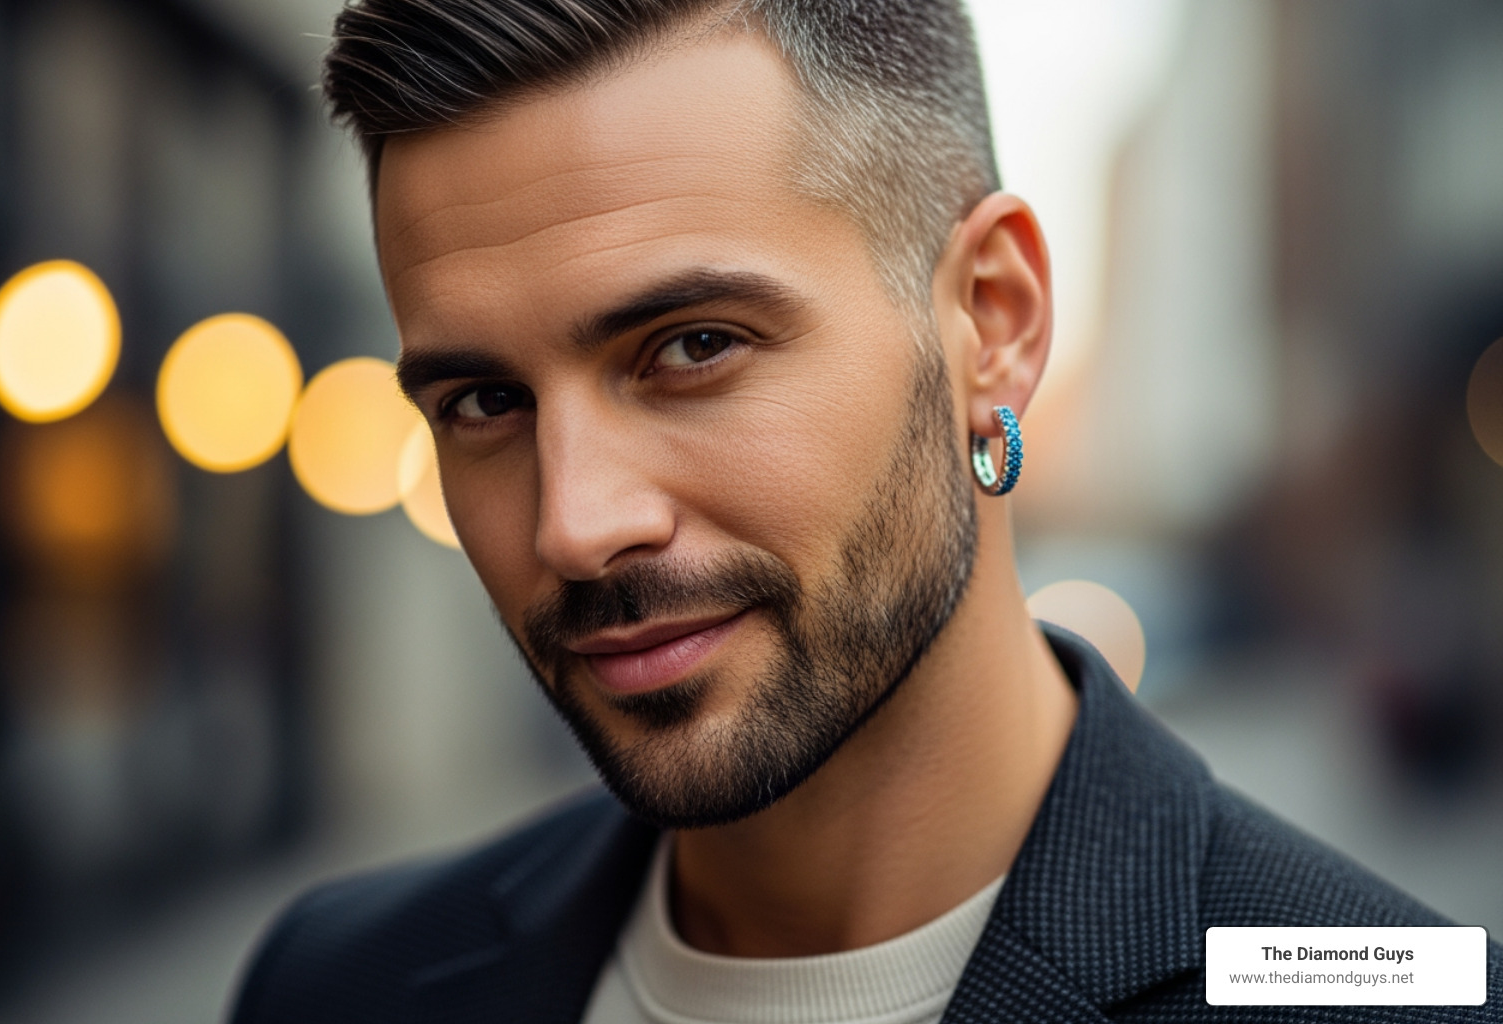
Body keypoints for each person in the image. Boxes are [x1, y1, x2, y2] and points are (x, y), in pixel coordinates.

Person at [230, 2, 1501, 1021]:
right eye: (483, 401)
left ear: (991, 323)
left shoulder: (1391, 996)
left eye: (693, 347)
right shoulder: (338, 983)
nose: (574, 523)